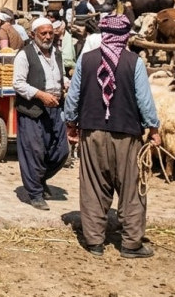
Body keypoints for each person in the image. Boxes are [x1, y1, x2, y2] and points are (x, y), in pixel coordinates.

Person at [63, 14, 161, 258]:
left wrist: (71, 123)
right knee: (131, 187)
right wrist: (153, 129)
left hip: (92, 131)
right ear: (126, 36)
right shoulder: (134, 62)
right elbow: (144, 100)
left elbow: (73, 97)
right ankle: (131, 244)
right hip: (127, 133)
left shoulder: (86, 60)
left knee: (93, 185)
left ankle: (94, 241)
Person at [13, 17, 69, 210]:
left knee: (61, 150)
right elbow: (18, 83)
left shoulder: (57, 54)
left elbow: (59, 75)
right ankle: (35, 193)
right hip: (33, 110)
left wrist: (66, 84)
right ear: (33, 35)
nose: (47, 37)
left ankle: (40, 178)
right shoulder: (24, 55)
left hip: (55, 108)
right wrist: (40, 95)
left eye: (50, 33)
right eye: (43, 33)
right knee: (34, 151)